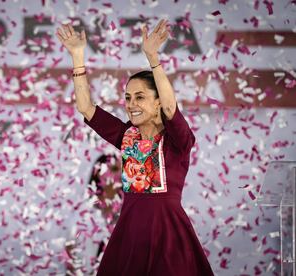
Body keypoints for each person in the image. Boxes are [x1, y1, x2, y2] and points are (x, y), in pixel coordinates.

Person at [56, 19, 214, 275]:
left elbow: (171, 108)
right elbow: (86, 108)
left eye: (140, 97)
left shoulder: (178, 140)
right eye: (128, 98)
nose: (131, 104)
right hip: (130, 232)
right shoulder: (126, 136)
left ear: (157, 103)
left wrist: (153, 58)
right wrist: (77, 56)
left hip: (168, 232)